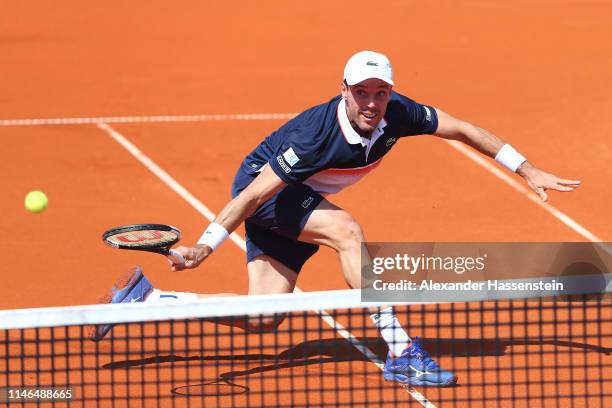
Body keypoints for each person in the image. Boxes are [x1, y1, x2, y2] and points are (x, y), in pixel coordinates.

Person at [91, 51, 580, 387]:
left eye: (380, 92)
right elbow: (255, 192)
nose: (371, 103)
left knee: (261, 318)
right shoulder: (314, 137)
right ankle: (401, 351)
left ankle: (148, 298)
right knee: (347, 231)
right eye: (362, 92)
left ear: (390, 91)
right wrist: (207, 245)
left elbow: (464, 129)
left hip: (300, 199)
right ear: (343, 90)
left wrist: (528, 169)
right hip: (266, 194)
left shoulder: (399, 112)